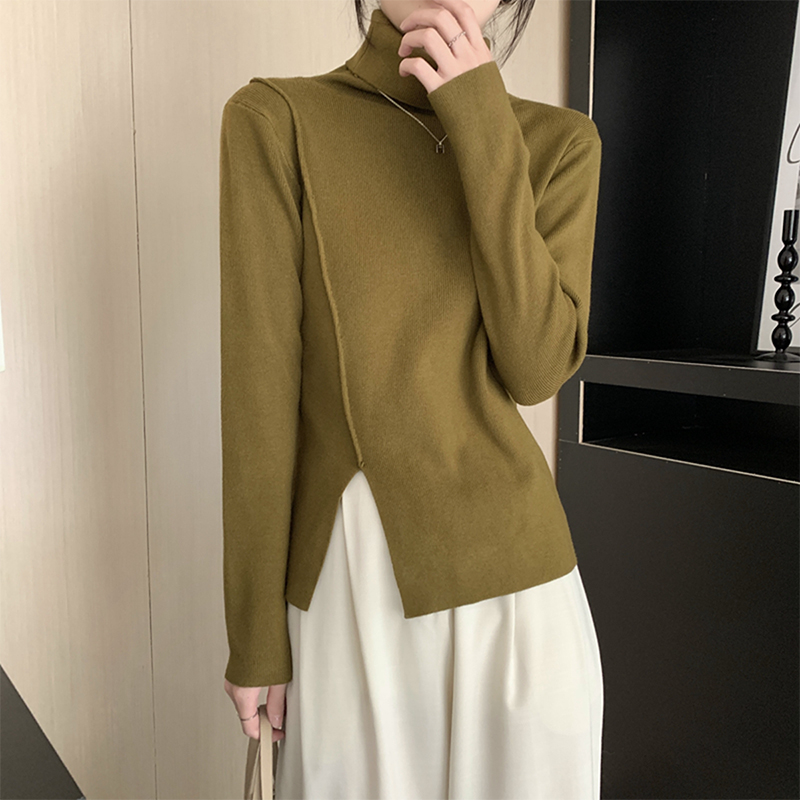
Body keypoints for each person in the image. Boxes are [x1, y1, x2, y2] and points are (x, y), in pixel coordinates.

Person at [219, 0, 604, 797]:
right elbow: (259, 400)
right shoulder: (277, 120)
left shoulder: (561, 142)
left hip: (522, 606)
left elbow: (536, 368)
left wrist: (481, 120)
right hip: (353, 593)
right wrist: (256, 636)